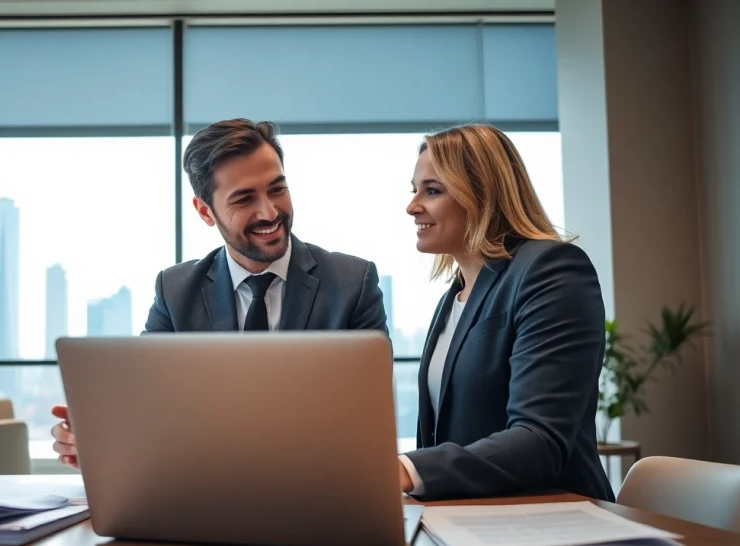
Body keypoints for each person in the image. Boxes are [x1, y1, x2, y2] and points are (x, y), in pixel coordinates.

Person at [52, 118, 390, 468]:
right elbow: (145, 405)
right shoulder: (175, 292)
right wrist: (98, 439)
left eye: (277, 189)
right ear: (205, 212)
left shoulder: (353, 284)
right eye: (244, 199)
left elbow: (369, 418)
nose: (270, 212)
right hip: (208, 485)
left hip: (323, 481)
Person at [398, 123, 615, 502]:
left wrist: (408, 470)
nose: (412, 206)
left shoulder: (551, 269)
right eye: (414, 190)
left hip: (554, 516)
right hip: (471, 518)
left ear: (481, 194)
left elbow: (540, 439)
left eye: (432, 190)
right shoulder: (453, 297)